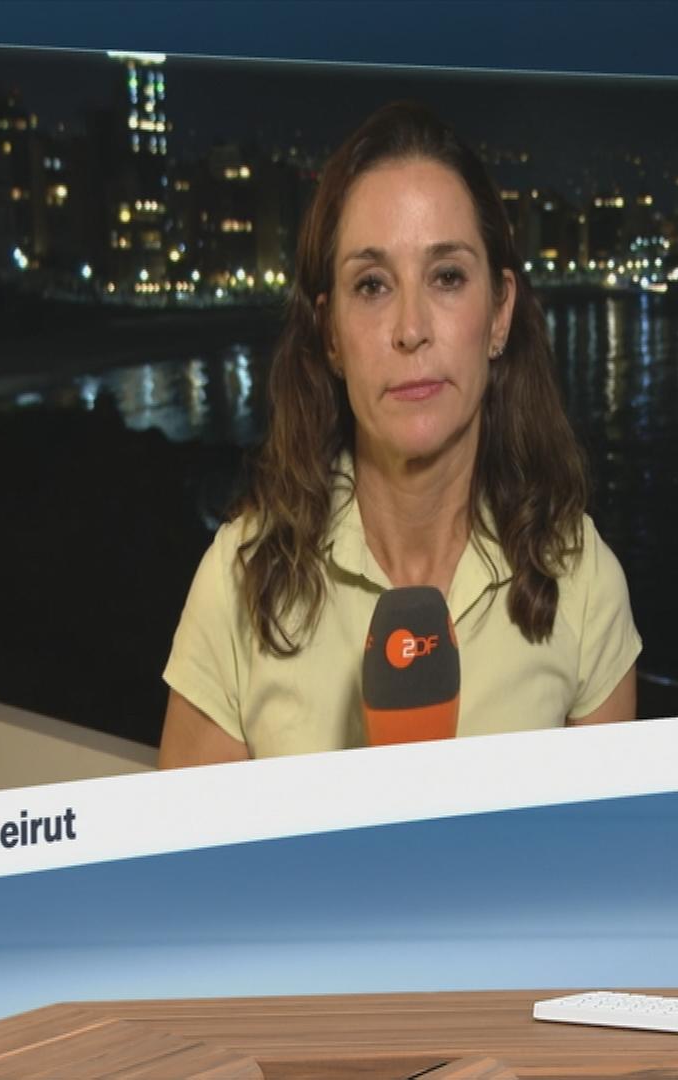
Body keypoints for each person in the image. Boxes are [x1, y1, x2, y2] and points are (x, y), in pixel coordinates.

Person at [158, 102, 640, 766]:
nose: (411, 329)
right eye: (372, 285)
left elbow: (602, 836)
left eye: (447, 277)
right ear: (330, 333)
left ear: (500, 313)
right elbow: (195, 838)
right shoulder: (238, 583)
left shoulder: (582, 584)